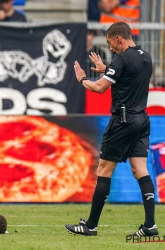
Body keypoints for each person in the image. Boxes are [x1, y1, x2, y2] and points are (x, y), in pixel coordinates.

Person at [65, 22, 158, 237]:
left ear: (118, 39)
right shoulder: (145, 56)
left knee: (104, 170)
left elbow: (99, 88)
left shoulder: (121, 58)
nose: (111, 48)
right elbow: (129, 75)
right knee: (140, 170)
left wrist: (82, 79)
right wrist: (107, 70)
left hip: (122, 121)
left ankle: (90, 226)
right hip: (142, 120)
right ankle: (150, 226)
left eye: (110, 43)